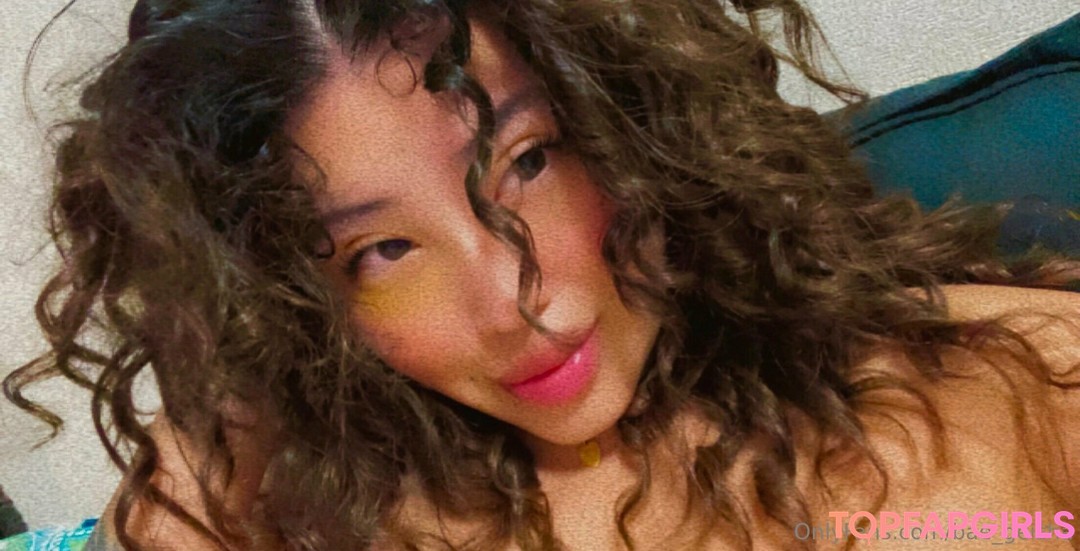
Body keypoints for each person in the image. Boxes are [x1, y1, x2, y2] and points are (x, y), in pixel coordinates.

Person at [5, 0, 1078, 549]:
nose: (516, 304)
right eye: (383, 251)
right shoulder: (266, 485)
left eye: (525, 162)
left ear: (629, 115)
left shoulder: (1013, 381)